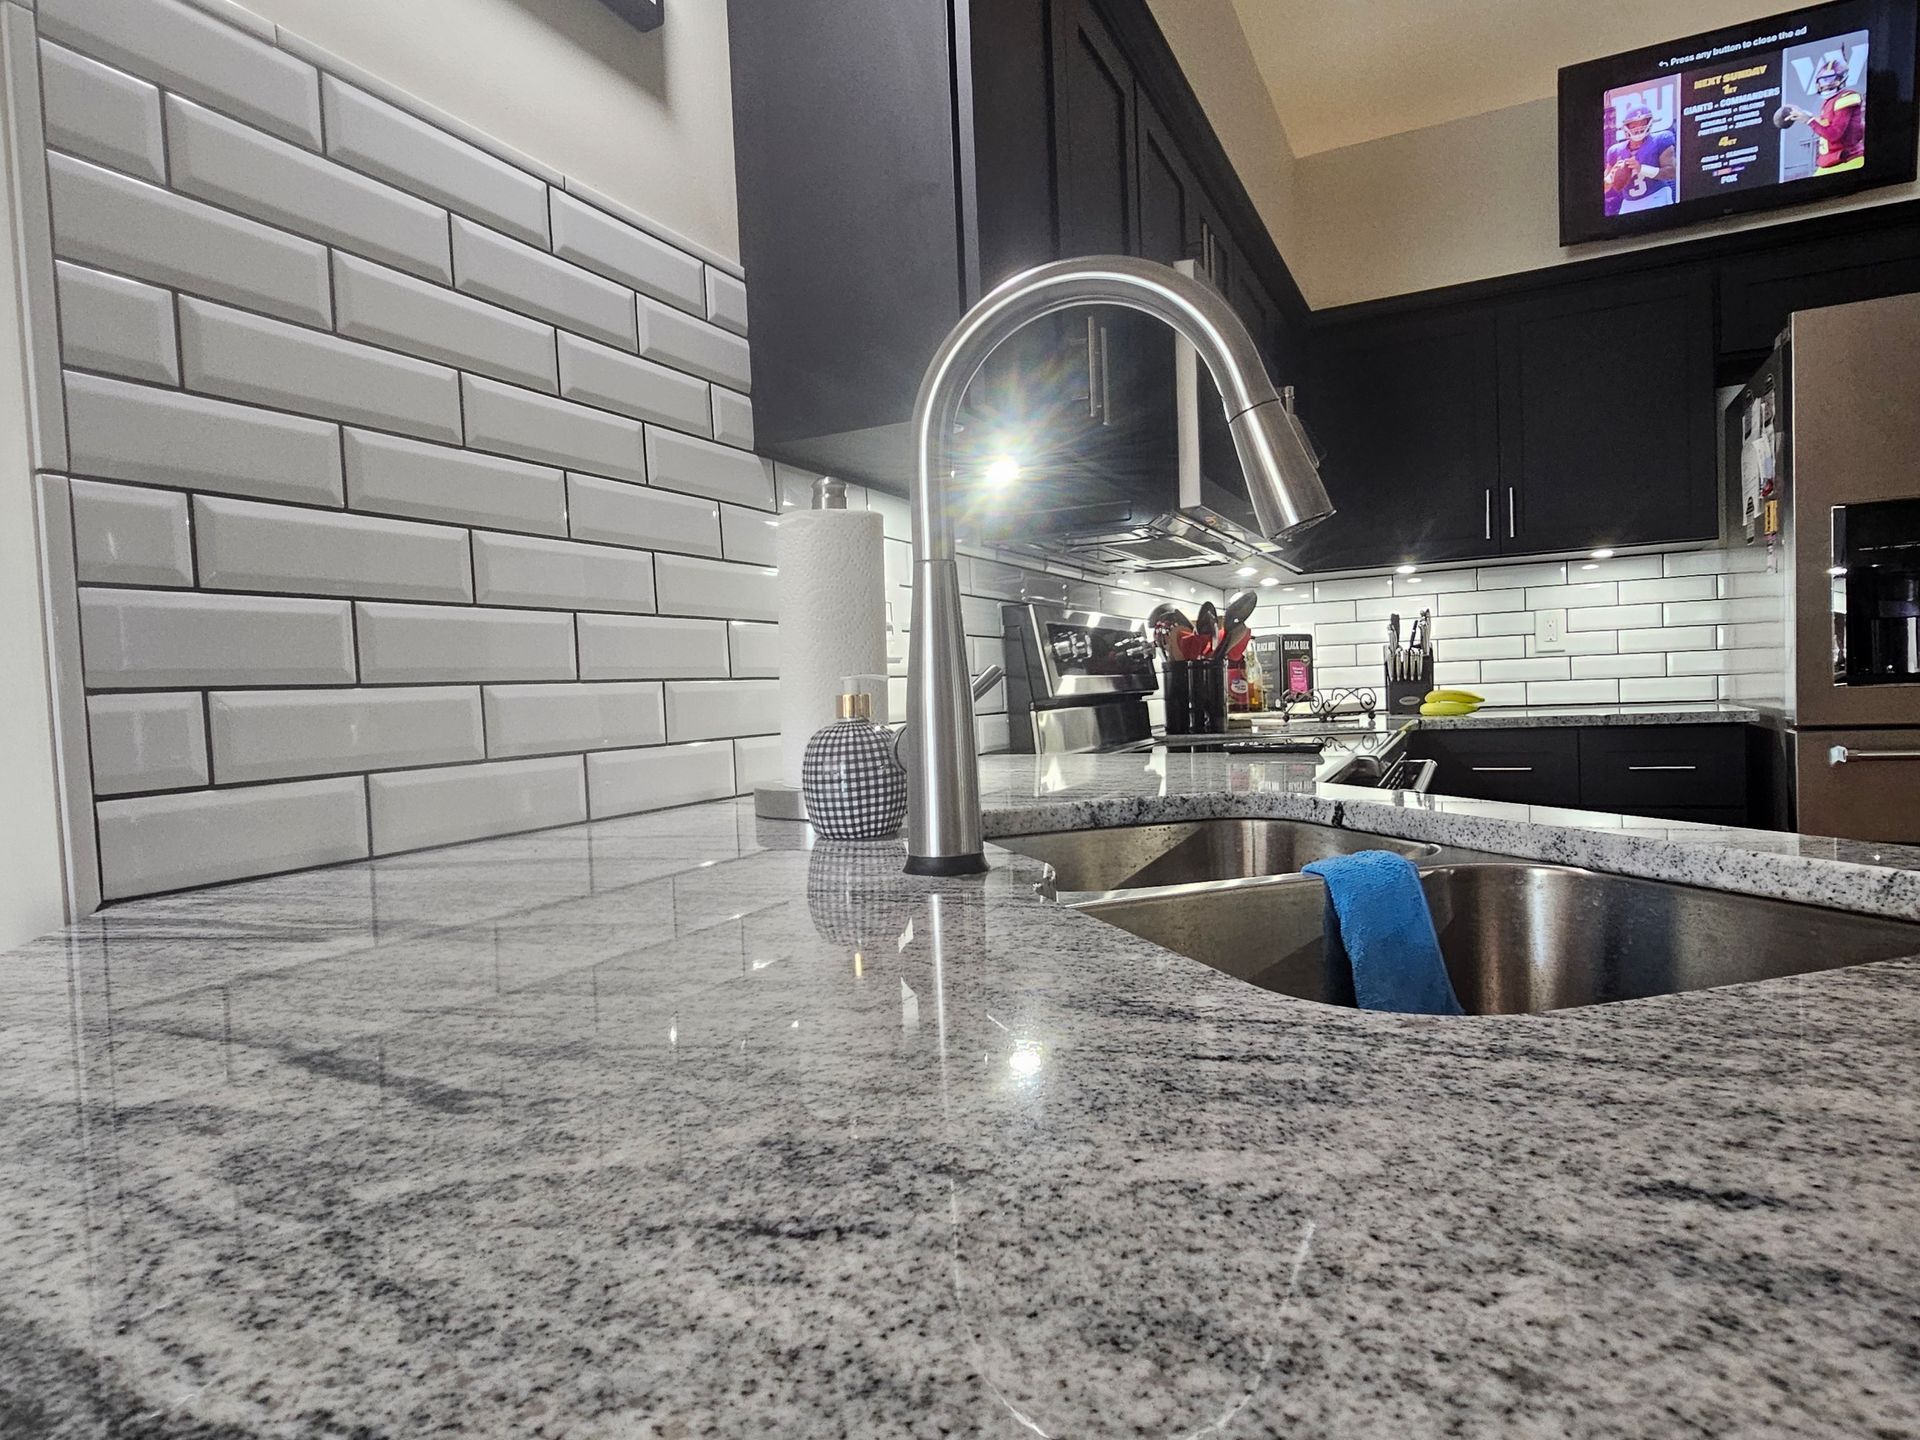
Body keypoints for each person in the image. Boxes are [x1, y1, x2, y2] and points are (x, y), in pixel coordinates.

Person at [1776, 56, 1866, 174]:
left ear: (1842, 79)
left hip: (1848, 161)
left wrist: (1809, 120)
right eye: (1823, 81)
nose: (1826, 84)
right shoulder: (1829, 101)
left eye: (1831, 79)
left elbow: (1833, 134)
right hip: (1829, 162)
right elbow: (1826, 124)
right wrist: (1805, 114)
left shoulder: (1847, 97)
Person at [1603, 104, 1677, 214]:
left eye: (1642, 123)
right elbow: (1604, 188)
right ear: (1626, 127)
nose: (1638, 128)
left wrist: (1642, 169)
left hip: (1656, 195)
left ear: (1649, 122)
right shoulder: (1615, 151)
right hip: (1629, 203)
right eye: (1634, 125)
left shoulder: (1660, 140)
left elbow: (1672, 172)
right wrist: (1610, 177)